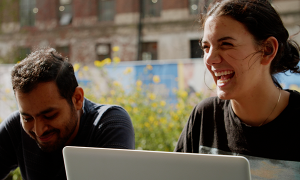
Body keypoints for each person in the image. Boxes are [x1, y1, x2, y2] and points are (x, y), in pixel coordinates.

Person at [175, 0, 300, 179]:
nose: (210, 59)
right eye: (206, 47)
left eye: (226, 44)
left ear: (267, 50)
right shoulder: (205, 116)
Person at [0, 48, 135, 180]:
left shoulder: (110, 124)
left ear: (77, 99)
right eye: (27, 118)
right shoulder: (15, 128)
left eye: (50, 115)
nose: (39, 130)